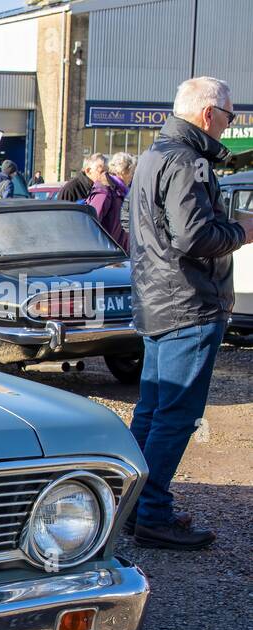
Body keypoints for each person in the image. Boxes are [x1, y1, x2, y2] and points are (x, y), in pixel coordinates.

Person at [127, 76, 253, 550]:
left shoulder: (156, 155)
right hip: (187, 303)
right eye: (229, 115)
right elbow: (194, 237)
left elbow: (137, 226)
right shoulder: (188, 160)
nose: (229, 124)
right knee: (175, 415)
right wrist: (243, 232)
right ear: (208, 114)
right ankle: (152, 512)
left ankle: (137, 506)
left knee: (154, 410)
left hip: (162, 300)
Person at [87, 153, 129, 250]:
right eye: (131, 171)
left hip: (119, 253)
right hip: (109, 255)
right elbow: (91, 225)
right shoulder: (104, 191)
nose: (132, 175)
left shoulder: (120, 191)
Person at [109, 152, 136, 244]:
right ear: (124, 171)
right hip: (110, 247)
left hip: (119, 245)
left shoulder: (122, 189)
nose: (132, 176)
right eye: (131, 172)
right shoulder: (108, 189)